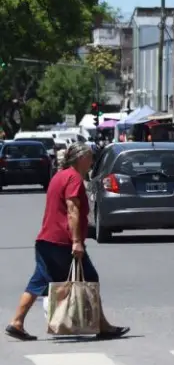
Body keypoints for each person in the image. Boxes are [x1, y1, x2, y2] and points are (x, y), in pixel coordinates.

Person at [5, 142, 128, 341]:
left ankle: (16, 322)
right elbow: (73, 210)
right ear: (81, 159)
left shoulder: (59, 176)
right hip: (62, 241)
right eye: (89, 158)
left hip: (47, 239)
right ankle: (102, 325)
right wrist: (77, 241)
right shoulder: (73, 178)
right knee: (90, 278)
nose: (91, 162)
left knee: (38, 281)